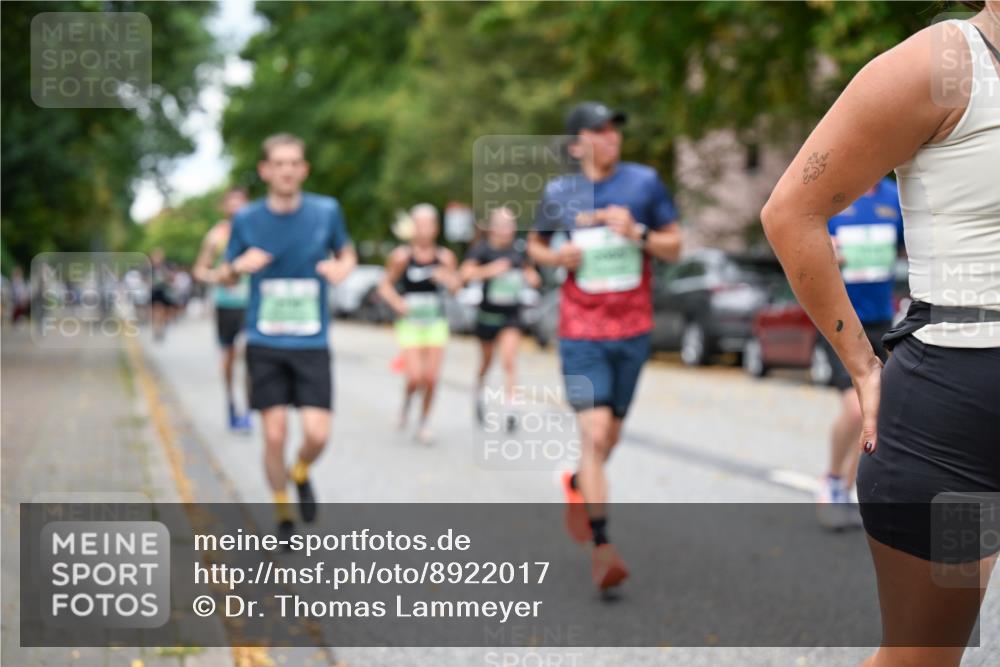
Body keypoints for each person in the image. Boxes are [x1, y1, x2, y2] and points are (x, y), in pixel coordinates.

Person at [761, 3, 999, 664]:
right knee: (925, 656)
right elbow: (791, 213)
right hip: (959, 430)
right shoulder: (949, 64)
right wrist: (865, 366)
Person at [527, 102, 682, 590]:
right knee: (594, 434)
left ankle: (577, 484)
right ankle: (603, 546)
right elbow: (535, 246)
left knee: (609, 436)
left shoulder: (644, 183)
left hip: (632, 329)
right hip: (580, 330)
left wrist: (636, 232)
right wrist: (558, 256)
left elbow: (675, 246)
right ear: (577, 145)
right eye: (599, 131)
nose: (611, 137)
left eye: (614, 129)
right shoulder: (560, 192)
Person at [220, 133, 357, 540]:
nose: (286, 170)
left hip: (312, 342)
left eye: (294, 162)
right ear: (265, 170)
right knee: (275, 432)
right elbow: (224, 273)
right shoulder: (247, 220)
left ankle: (301, 472)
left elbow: (346, 252)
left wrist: (343, 268)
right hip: (265, 341)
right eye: (278, 163)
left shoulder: (326, 211)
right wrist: (239, 265)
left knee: (317, 433)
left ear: (304, 169)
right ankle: (282, 513)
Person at [815, 177, 904, 529]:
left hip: (881, 318)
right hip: (838, 318)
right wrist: (824, 252)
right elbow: (798, 237)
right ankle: (832, 479)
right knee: (855, 407)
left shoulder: (895, 196)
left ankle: (849, 490)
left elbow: (910, 244)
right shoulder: (832, 190)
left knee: (875, 410)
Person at [378, 203, 461, 445]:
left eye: (429, 224)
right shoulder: (402, 257)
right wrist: (397, 302)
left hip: (435, 323)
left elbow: (457, 289)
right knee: (415, 377)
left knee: (431, 378)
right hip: (410, 323)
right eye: (420, 224)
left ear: (436, 228)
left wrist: (448, 279)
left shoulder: (445, 257)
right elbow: (384, 285)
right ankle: (406, 404)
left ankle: (424, 421)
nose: (424, 230)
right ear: (413, 228)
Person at [460, 207, 541, 430]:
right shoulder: (481, 250)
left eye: (510, 225)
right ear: (493, 227)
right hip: (487, 314)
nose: (507, 230)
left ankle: (511, 409)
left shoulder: (519, 251)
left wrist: (532, 278)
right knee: (487, 361)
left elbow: (531, 274)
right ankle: (479, 393)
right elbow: (465, 274)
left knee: (509, 360)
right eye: (503, 225)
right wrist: (489, 271)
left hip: (511, 314)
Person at [193, 187, 253, 432]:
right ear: (225, 208)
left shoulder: (258, 231)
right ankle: (231, 403)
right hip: (227, 304)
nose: (237, 208)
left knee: (252, 354)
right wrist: (217, 276)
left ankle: (249, 408)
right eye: (232, 204)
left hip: (254, 302)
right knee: (229, 356)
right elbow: (199, 271)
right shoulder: (217, 235)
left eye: (242, 203)